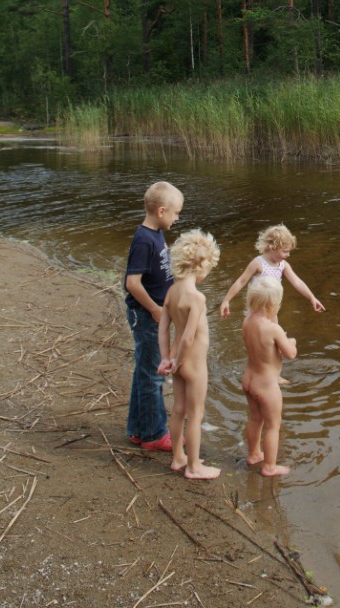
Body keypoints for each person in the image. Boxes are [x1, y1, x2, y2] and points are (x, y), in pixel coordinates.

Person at [158, 229, 221, 480]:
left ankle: (178, 457)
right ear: (201, 267)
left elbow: (164, 329)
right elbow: (189, 337)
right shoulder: (196, 297)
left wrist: (167, 359)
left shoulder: (171, 291)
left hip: (177, 361)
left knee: (178, 410)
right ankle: (194, 466)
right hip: (193, 363)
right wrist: (181, 360)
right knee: (196, 415)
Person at [124, 180, 183, 451]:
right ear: (161, 211)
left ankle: (138, 429)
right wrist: (155, 309)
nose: (177, 217)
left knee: (143, 372)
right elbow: (132, 283)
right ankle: (154, 434)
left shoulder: (157, 234)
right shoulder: (144, 240)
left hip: (154, 315)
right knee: (152, 375)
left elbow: (162, 267)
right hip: (147, 317)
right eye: (175, 213)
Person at [241, 276, 297, 476]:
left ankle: (254, 454)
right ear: (274, 304)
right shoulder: (274, 329)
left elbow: (262, 350)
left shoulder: (247, 322)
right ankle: (270, 467)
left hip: (249, 380)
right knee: (273, 425)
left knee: (255, 419)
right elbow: (290, 354)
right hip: (267, 385)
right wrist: (292, 342)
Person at [220, 224, 324, 318]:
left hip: (273, 309)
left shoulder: (283, 266)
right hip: (256, 310)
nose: (288, 255)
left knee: (274, 334)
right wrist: (226, 300)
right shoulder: (258, 263)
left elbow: (297, 282)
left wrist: (312, 298)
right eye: (285, 251)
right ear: (273, 248)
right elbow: (241, 281)